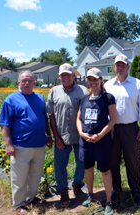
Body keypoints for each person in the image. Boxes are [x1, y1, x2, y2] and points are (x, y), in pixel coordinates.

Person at [0, 71, 52, 215]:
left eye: (30, 80)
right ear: (19, 83)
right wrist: (8, 144)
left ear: (34, 82)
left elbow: (45, 119)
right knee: (19, 177)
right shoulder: (11, 100)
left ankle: (31, 198)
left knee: (35, 175)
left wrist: (49, 136)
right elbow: (5, 124)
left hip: (39, 145)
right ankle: (19, 204)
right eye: (24, 81)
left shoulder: (40, 98)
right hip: (20, 146)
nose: (27, 83)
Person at [105, 54, 140, 205]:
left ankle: (136, 191)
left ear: (128, 67)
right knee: (113, 161)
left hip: (131, 128)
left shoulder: (137, 84)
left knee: (133, 162)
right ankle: (116, 189)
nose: (120, 67)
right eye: (118, 65)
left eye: (123, 65)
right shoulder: (108, 85)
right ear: (114, 67)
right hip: (112, 129)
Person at [47, 63, 89, 207]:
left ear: (74, 76)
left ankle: (77, 186)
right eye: (63, 75)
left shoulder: (83, 91)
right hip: (61, 136)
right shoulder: (54, 91)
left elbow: (87, 113)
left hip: (79, 135)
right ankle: (63, 191)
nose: (66, 77)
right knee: (59, 165)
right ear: (59, 77)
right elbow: (51, 116)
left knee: (81, 162)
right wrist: (56, 137)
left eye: (68, 74)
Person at [76, 68, 116, 214]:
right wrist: (81, 133)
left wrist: (100, 134)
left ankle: (109, 201)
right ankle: (90, 194)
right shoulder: (84, 98)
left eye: (95, 79)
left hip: (102, 140)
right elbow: (79, 119)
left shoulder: (108, 98)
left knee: (105, 171)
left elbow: (113, 120)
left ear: (101, 80)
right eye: (90, 79)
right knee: (88, 168)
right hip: (86, 141)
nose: (92, 82)